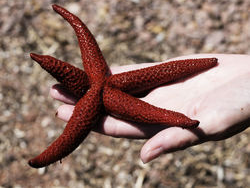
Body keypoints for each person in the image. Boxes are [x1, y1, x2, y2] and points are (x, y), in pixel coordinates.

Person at [50, 54, 250, 163]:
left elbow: (162, 72)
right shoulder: (97, 92)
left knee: (159, 84)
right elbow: (160, 73)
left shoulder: (96, 92)